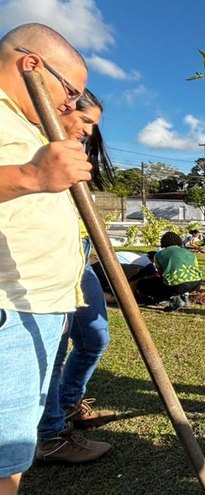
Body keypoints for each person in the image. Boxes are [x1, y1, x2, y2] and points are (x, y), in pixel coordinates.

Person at [0, 23, 92, 495]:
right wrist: (31, 176)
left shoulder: (25, 124)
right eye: (71, 90)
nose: (72, 105)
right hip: (9, 312)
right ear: (32, 64)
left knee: (10, 462)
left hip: (38, 309)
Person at [36, 90, 116, 465]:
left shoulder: (75, 157)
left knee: (95, 337)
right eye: (85, 121)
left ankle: (68, 403)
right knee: (53, 348)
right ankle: (51, 433)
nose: (88, 130)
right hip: (46, 262)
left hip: (78, 258)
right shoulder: (36, 148)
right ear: (62, 109)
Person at [134, 232, 202, 311]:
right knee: (181, 284)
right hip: (196, 282)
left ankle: (173, 299)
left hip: (177, 284)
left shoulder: (159, 255)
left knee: (143, 284)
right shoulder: (189, 253)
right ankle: (184, 296)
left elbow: (161, 274)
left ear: (163, 243)